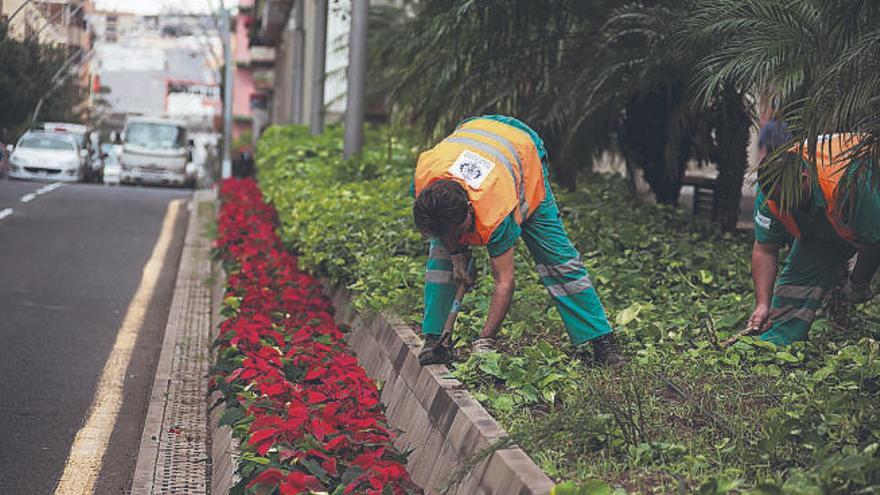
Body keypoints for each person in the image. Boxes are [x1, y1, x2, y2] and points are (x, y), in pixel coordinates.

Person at [412, 115, 625, 366]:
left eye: (460, 232)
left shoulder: (497, 212)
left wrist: (485, 341)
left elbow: (504, 281)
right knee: (440, 260)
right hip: (476, 134)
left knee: (557, 260)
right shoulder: (428, 188)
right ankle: (435, 339)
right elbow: (445, 232)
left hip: (523, 156)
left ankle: (602, 341)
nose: (457, 239)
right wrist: (456, 254)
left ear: (470, 210)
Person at [749, 133, 880, 345]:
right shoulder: (771, 191)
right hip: (826, 226)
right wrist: (762, 304)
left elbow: (876, 240)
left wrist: (858, 281)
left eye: (789, 202)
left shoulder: (847, 181)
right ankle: (779, 342)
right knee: (794, 287)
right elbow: (764, 249)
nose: (784, 209)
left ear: (804, 179)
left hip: (869, 204)